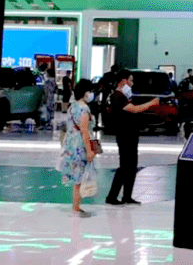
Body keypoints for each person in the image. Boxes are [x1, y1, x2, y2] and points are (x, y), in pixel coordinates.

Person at [104, 69, 159, 205]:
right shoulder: (117, 96)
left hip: (131, 134)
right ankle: (112, 196)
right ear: (124, 81)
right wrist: (151, 104)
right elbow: (134, 109)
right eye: (131, 80)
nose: (132, 83)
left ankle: (127, 196)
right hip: (124, 135)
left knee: (132, 165)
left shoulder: (123, 96)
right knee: (125, 166)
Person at [58, 79, 98, 217]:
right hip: (80, 147)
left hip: (71, 145)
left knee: (76, 178)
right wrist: (90, 150)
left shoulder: (72, 107)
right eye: (90, 91)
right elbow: (85, 132)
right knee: (80, 178)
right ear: (85, 92)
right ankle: (76, 207)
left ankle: (76, 206)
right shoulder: (84, 109)